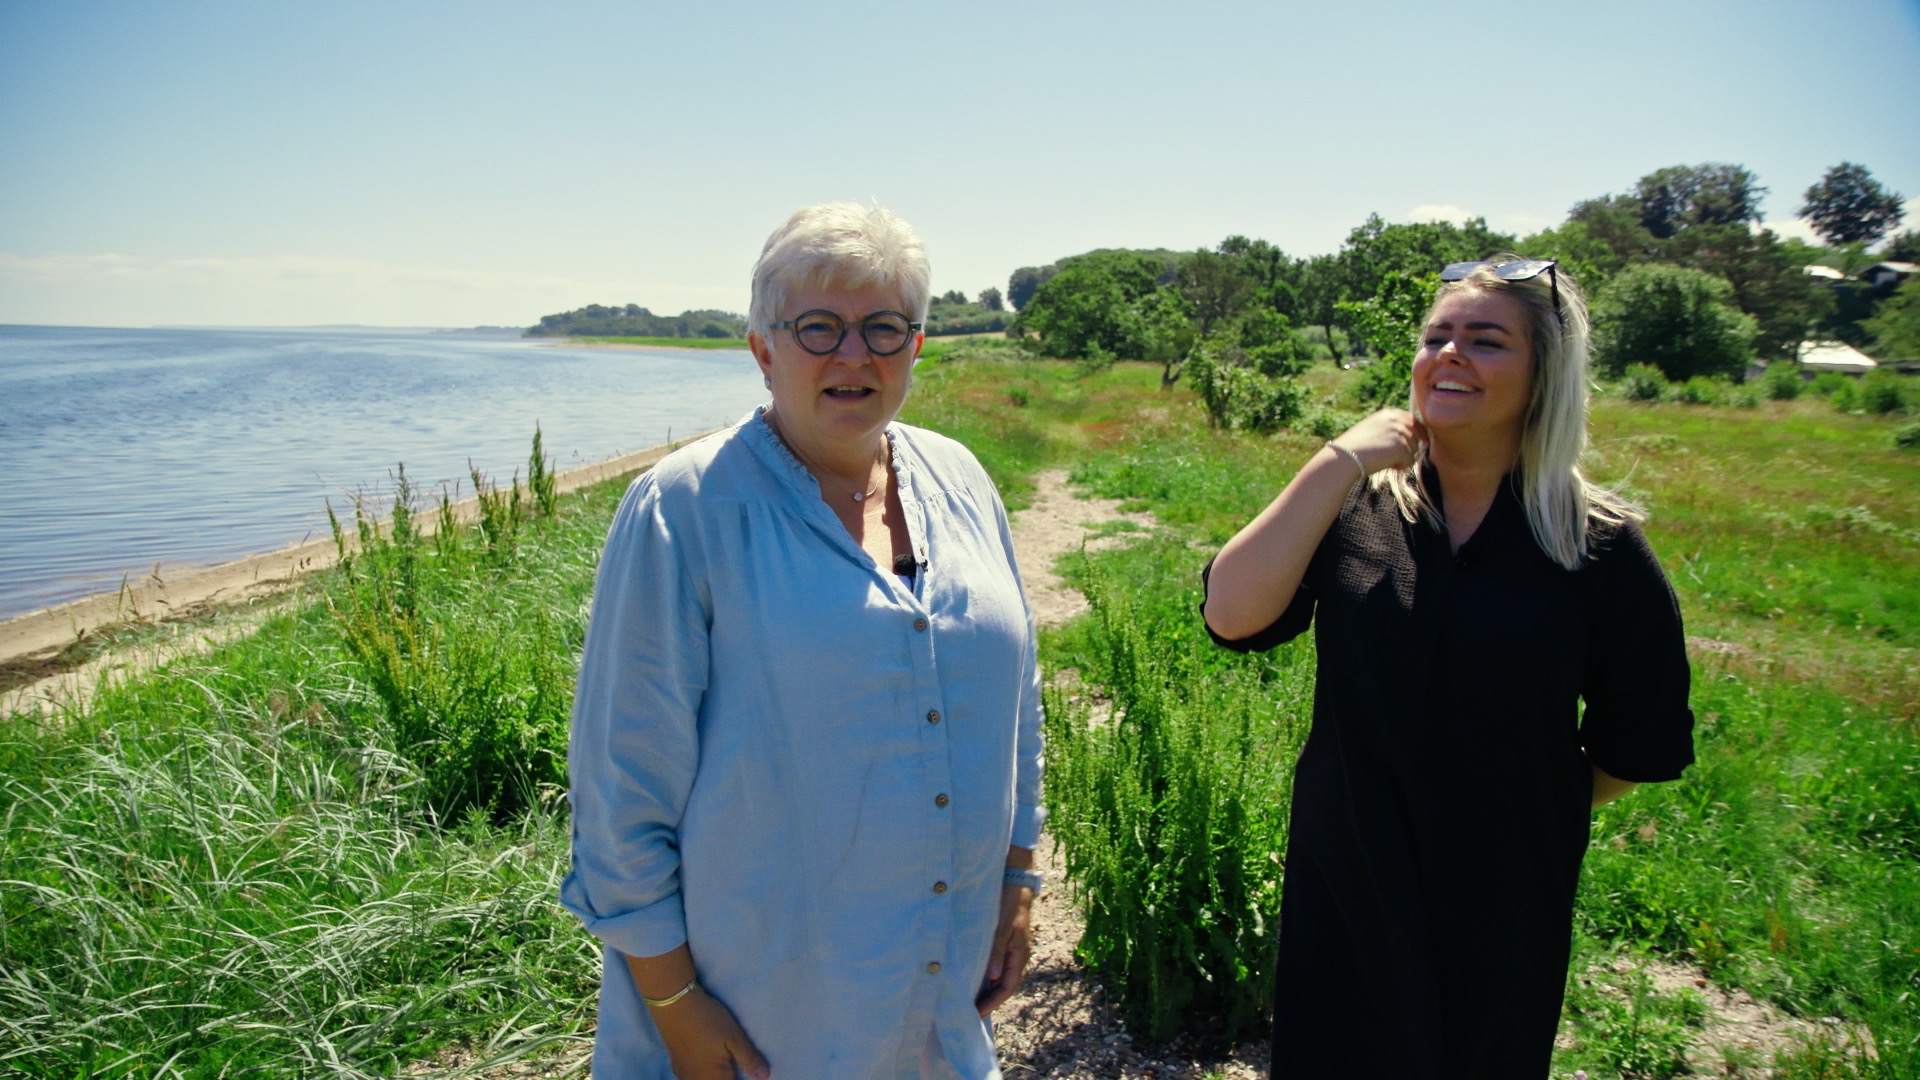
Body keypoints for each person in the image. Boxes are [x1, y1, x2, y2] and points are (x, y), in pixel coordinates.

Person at [560, 203, 1045, 1080]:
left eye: (883, 328)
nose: (853, 355)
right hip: (765, 1015)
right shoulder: (686, 509)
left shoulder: (964, 479)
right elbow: (620, 790)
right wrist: (675, 1006)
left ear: (919, 344)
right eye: (819, 327)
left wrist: (1018, 879)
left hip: (935, 1008)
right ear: (762, 347)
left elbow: (1018, 702)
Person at [1200, 258, 1695, 1076]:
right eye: (1437, 338)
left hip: (1500, 902)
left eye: (1486, 341)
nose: (1450, 355)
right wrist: (1337, 462)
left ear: (1544, 375)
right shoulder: (1357, 509)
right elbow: (1232, 615)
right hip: (1346, 880)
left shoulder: (1598, 547)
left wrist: (1513, 805)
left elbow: (1631, 743)